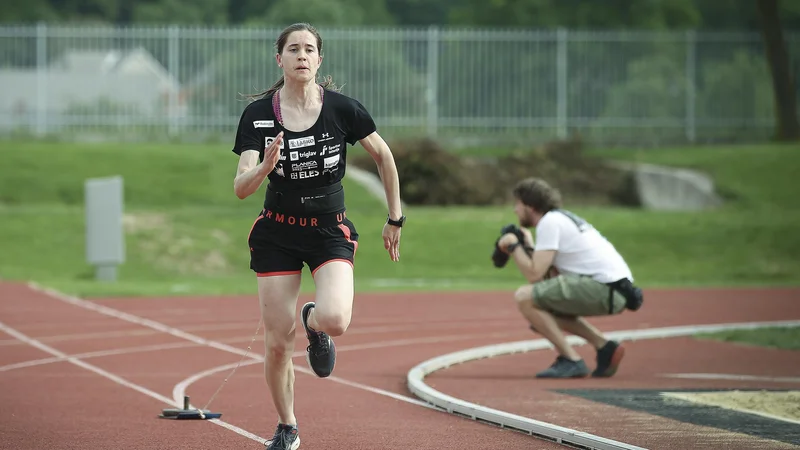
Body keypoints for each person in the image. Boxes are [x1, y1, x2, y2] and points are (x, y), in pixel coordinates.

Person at [230, 22, 404, 450]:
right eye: (293, 49)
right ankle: (287, 426)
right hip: (278, 232)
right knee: (276, 343)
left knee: (336, 320)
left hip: (328, 230)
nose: (302, 56)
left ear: (319, 59)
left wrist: (394, 218)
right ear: (280, 59)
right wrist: (264, 168)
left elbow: (383, 155)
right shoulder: (258, 115)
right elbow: (240, 187)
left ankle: (314, 322)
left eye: (309, 49)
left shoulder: (343, 109)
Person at [495, 177, 643, 379]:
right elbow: (545, 281)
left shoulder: (549, 222)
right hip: (613, 289)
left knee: (524, 297)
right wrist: (529, 246)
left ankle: (571, 360)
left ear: (530, 206)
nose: (515, 210)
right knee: (541, 306)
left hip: (604, 288)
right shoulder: (559, 219)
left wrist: (513, 246)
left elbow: (534, 274)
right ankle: (605, 347)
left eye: (517, 204)